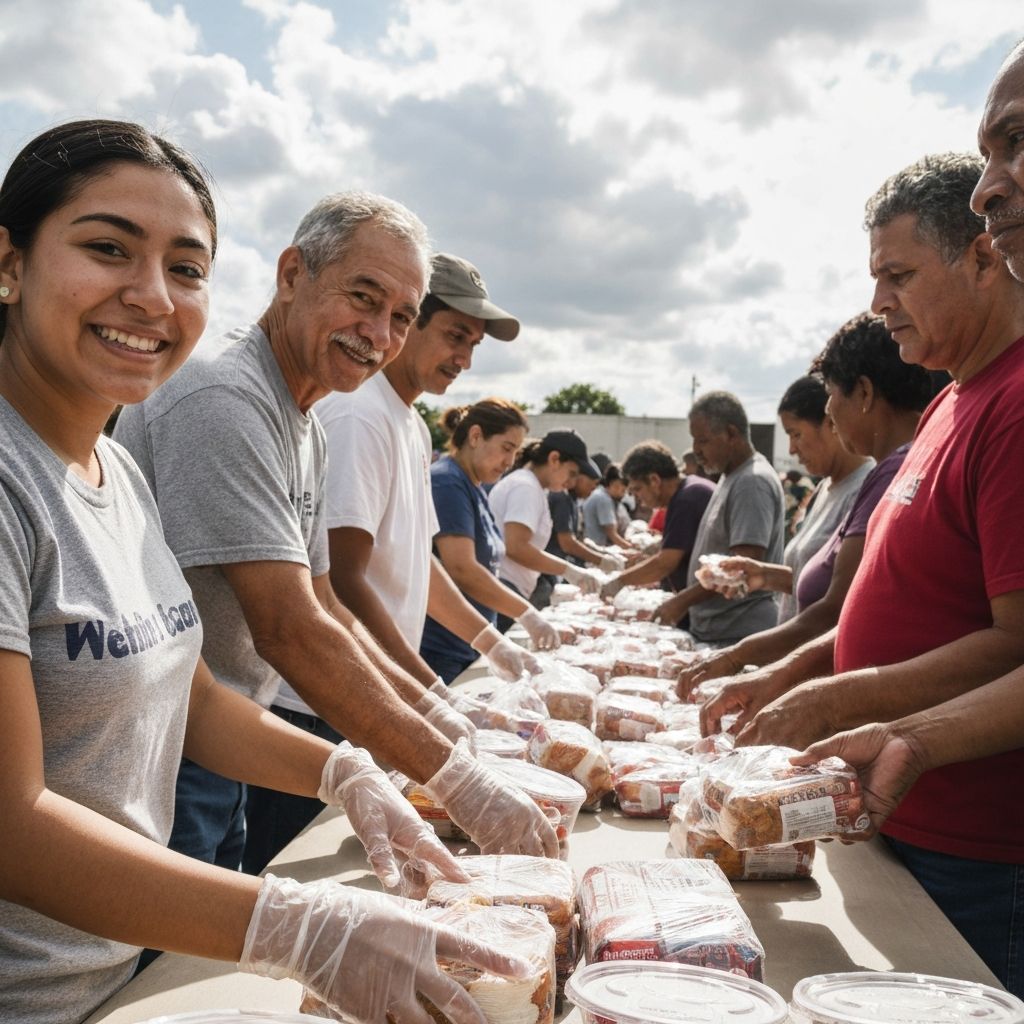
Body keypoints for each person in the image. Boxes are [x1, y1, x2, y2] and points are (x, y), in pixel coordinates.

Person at [0, 120, 527, 1024]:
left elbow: (192, 692)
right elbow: (14, 825)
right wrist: (295, 924)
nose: (152, 296)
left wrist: (344, 771)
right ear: (9, 263)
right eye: (106, 249)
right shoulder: (31, 476)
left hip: (114, 968)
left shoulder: (111, 466)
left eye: (187, 268)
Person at [116, 196, 558, 873]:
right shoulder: (227, 398)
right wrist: (454, 774)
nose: (378, 333)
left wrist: (436, 714)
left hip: (228, 738)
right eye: (363, 296)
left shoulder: (308, 422)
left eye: (401, 317)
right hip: (167, 752)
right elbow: (291, 628)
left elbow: (328, 608)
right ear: (292, 275)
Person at [732, 153, 1024, 995]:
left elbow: (1017, 641)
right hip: (899, 810)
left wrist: (842, 698)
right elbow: (886, 601)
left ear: (980, 255)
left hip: (979, 853)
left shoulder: (1015, 403)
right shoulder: (949, 399)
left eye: (898, 274)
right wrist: (794, 672)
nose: (877, 304)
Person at [682, 321, 942, 707]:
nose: (831, 414)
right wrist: (766, 576)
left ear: (865, 393)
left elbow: (838, 609)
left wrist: (744, 659)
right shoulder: (891, 468)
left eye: (832, 398)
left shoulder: (892, 471)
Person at [419, 398, 560, 683]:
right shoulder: (447, 482)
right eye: (506, 448)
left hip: (466, 646)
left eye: (516, 452)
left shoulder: (475, 486)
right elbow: (463, 569)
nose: (510, 462)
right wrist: (527, 614)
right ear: (475, 436)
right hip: (441, 649)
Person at [653, 393, 785, 642]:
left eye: (702, 440)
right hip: (719, 632)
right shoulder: (731, 476)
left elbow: (740, 569)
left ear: (731, 434)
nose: (695, 451)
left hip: (738, 633)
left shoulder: (751, 482)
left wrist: (681, 601)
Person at [489, 429, 604, 628]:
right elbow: (516, 547)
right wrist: (568, 570)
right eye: (572, 473)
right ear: (554, 459)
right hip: (504, 586)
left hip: (509, 587)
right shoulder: (526, 487)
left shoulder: (533, 487)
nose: (571, 483)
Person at [600, 441, 714, 605]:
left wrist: (619, 582)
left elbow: (665, 563)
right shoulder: (688, 491)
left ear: (654, 480)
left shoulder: (688, 498)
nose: (637, 498)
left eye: (638, 489)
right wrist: (653, 549)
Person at [583, 463, 635, 549]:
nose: (623, 494)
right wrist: (631, 548)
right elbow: (612, 534)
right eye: (621, 489)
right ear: (611, 484)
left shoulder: (605, 497)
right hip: (598, 550)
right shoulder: (603, 499)